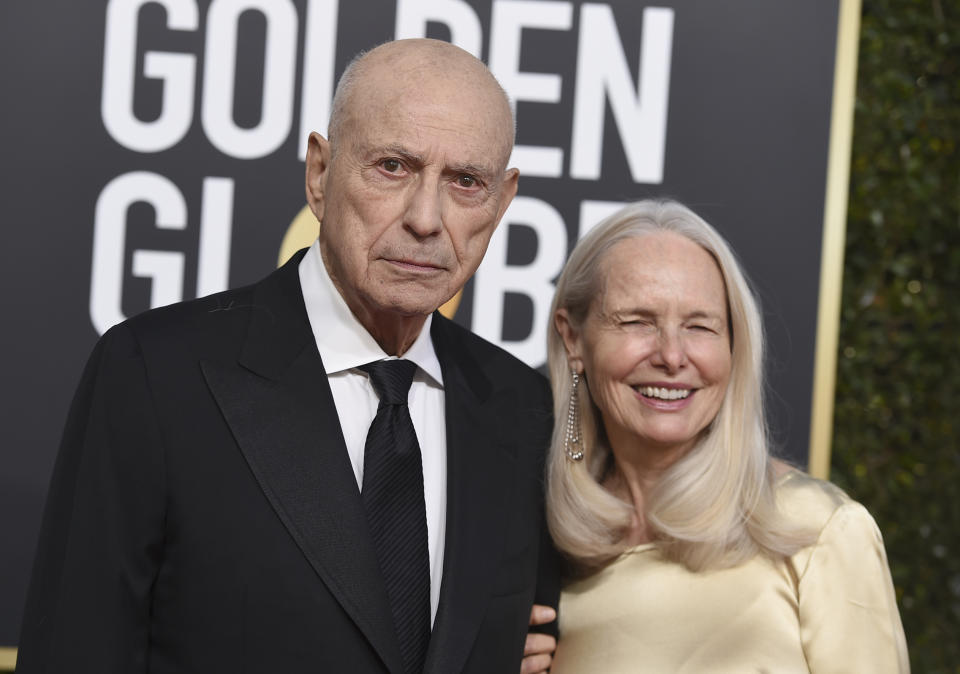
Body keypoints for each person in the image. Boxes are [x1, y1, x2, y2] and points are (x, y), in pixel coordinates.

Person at [16, 39, 558, 674]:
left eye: (466, 181)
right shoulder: (154, 375)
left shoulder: (522, 410)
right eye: (392, 166)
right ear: (320, 174)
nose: (425, 218)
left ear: (501, 201)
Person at [544, 199, 909, 672]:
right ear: (573, 339)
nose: (672, 356)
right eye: (637, 321)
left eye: (700, 326)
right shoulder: (539, 551)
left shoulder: (816, 529)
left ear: (735, 346)